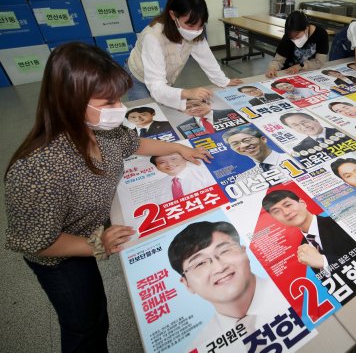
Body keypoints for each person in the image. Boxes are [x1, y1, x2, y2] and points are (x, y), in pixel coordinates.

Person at [4, 43, 212, 352]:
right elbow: (37, 241)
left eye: (118, 98)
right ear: (70, 101)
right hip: (59, 254)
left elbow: (135, 145)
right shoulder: (37, 169)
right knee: (85, 322)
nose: (119, 107)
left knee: (97, 310)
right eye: (108, 100)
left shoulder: (100, 129)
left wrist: (178, 148)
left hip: (89, 224)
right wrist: (95, 244)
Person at [168, 220, 289, 346]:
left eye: (224, 251)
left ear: (244, 252)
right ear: (187, 284)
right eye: (200, 263)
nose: (219, 268)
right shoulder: (199, 346)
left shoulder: (298, 290)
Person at [126, 0, 241, 110]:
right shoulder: (153, 37)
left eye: (200, 25)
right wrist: (186, 93)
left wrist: (224, 81)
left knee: (167, 108)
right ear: (173, 15)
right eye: (191, 25)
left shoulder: (195, 31)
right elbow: (156, 85)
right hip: (138, 78)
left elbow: (207, 58)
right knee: (146, 112)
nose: (196, 31)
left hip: (165, 78)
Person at [262, 190, 356, 272]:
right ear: (275, 218)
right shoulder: (304, 248)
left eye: (288, 205)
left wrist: (324, 262)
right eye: (277, 212)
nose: (286, 213)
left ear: (303, 203)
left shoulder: (338, 222)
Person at [265, 11, 329, 78]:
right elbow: (278, 60)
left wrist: (301, 66)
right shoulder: (288, 36)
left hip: (309, 72)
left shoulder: (321, 34)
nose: (295, 40)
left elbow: (319, 62)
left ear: (306, 28)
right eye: (292, 38)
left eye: (297, 37)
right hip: (288, 73)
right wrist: (272, 68)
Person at [150, 152, 217, 201]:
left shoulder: (204, 173)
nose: (170, 164)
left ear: (185, 159)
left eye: (173, 159)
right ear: (157, 167)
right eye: (162, 162)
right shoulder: (154, 188)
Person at [222, 126, 289, 173]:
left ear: (263, 139)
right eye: (235, 144)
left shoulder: (291, 158)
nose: (243, 145)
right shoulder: (243, 178)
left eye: (247, 140)